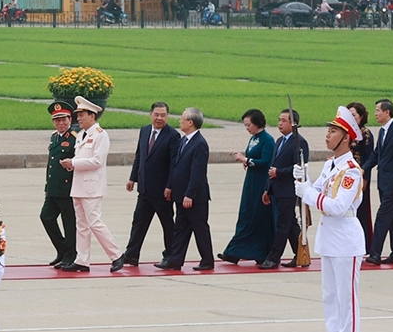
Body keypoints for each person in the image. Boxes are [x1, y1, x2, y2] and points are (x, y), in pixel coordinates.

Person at [298, 108, 367, 332]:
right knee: (330, 298)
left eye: (334, 131)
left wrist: (308, 194)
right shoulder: (331, 164)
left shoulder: (351, 171)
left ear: (347, 138)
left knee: (346, 300)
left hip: (346, 239)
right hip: (329, 239)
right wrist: (302, 180)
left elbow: (337, 206)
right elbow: (316, 189)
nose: (328, 135)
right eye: (329, 130)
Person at [114, 102, 178, 271]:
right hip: (144, 188)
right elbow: (139, 156)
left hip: (162, 190)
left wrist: (170, 186)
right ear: (151, 114)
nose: (159, 118)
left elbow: (174, 165)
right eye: (157, 114)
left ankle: (171, 256)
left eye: (163, 115)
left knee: (167, 224)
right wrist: (132, 177)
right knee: (138, 222)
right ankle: (132, 255)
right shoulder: (144, 131)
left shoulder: (173, 136)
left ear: (167, 116)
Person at [60, 97, 122, 272]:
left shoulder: (100, 135)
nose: (78, 118)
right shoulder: (80, 135)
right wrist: (71, 164)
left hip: (92, 187)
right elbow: (81, 159)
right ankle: (82, 259)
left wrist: (73, 163)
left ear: (92, 116)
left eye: (82, 115)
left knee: (95, 223)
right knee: (82, 225)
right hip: (79, 185)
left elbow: (96, 161)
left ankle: (116, 255)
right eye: (77, 115)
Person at [157, 108, 214, 271]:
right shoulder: (184, 140)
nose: (179, 121)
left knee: (199, 228)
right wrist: (170, 186)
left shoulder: (200, 144)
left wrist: (190, 194)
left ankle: (207, 260)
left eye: (182, 119)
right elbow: (176, 167)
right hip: (180, 194)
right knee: (180, 228)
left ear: (191, 122)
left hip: (195, 197)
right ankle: (175, 259)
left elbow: (197, 173)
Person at [219, 109, 276, 263]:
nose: (247, 128)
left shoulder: (267, 140)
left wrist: (246, 160)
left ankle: (260, 253)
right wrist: (247, 161)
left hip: (261, 182)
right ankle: (234, 251)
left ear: (257, 123)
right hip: (251, 180)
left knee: (258, 217)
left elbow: (266, 161)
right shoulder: (253, 139)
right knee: (245, 214)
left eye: (249, 125)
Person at [260, 108, 309, 269]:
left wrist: (278, 173)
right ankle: (300, 255)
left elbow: (298, 168)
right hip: (277, 189)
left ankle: (273, 258)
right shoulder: (280, 141)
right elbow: (272, 166)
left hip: (289, 190)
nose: (280, 123)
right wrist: (268, 189)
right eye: (279, 120)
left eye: (284, 120)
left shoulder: (299, 142)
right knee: (290, 225)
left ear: (293, 124)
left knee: (282, 225)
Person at [364, 99, 393, 264]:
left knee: (382, 217)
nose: (375, 113)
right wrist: (363, 168)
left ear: (387, 112)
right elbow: (377, 154)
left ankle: (375, 254)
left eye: (377, 110)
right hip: (383, 183)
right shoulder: (383, 131)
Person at [40, 100, 78, 269]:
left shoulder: (75, 138)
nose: (61, 123)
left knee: (69, 224)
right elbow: (51, 165)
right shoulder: (54, 137)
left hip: (67, 189)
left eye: (64, 119)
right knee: (46, 217)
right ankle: (62, 250)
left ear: (70, 120)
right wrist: (47, 188)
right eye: (57, 120)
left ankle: (70, 255)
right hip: (54, 189)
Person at [347, 103, 374, 251]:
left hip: (360, 177)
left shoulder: (365, 134)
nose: (352, 118)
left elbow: (369, 158)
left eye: (354, 115)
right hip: (346, 177)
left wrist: (365, 178)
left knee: (362, 211)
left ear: (361, 116)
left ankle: (366, 245)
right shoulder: (346, 133)